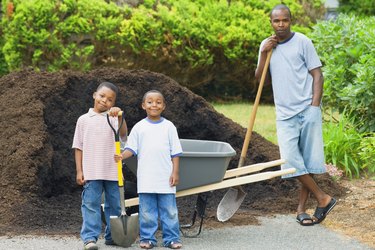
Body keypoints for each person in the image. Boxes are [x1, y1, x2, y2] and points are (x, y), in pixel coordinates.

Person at [255, 4, 336, 226]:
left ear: (291, 21)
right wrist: (263, 53)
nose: (281, 24)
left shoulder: (303, 42)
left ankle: (301, 209)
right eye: (276, 21)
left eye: (285, 20)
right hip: (284, 113)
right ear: (270, 22)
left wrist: (313, 107)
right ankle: (323, 198)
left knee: (307, 163)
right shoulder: (267, 46)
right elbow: (260, 78)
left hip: (306, 109)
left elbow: (317, 75)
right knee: (291, 161)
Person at [114, 90, 183, 249]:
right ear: (143, 105)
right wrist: (121, 156)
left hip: (165, 178)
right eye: (150, 102)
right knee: (147, 212)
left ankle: (171, 238)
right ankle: (147, 238)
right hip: (146, 179)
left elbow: (176, 152)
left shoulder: (169, 127)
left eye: (158, 102)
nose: (154, 105)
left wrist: (175, 172)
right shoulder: (140, 127)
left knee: (170, 212)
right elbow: (131, 149)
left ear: (163, 106)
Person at [72, 81, 128, 250]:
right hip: (91, 171)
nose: (105, 101)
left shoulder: (113, 118)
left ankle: (113, 237)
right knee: (91, 204)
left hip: (113, 171)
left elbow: (124, 134)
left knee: (115, 206)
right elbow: (78, 147)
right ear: (94, 95)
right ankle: (90, 238)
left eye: (110, 99)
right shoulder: (83, 119)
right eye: (102, 96)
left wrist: (120, 116)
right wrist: (79, 171)